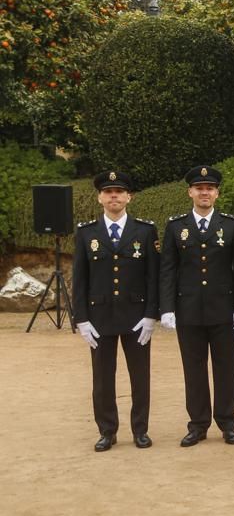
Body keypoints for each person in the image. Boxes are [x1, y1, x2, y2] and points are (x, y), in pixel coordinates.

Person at [159, 165, 234, 447]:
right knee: (194, 369)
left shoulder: (231, 225)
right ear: (190, 192)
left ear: (217, 193)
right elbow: (168, 269)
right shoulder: (176, 227)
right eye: (199, 188)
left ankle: (227, 422)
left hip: (223, 310)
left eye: (209, 188)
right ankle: (198, 424)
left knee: (226, 367)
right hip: (188, 310)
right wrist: (167, 307)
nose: (204, 192)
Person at [73, 170, 160, 452]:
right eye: (109, 192)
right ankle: (107, 431)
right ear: (100, 197)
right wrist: (82, 318)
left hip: (136, 316)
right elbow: (80, 278)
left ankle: (140, 430)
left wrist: (151, 314)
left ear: (128, 197)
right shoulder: (86, 233)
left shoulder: (145, 231)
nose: (114, 196)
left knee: (140, 376)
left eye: (119, 192)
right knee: (102, 377)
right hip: (99, 317)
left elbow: (152, 277)